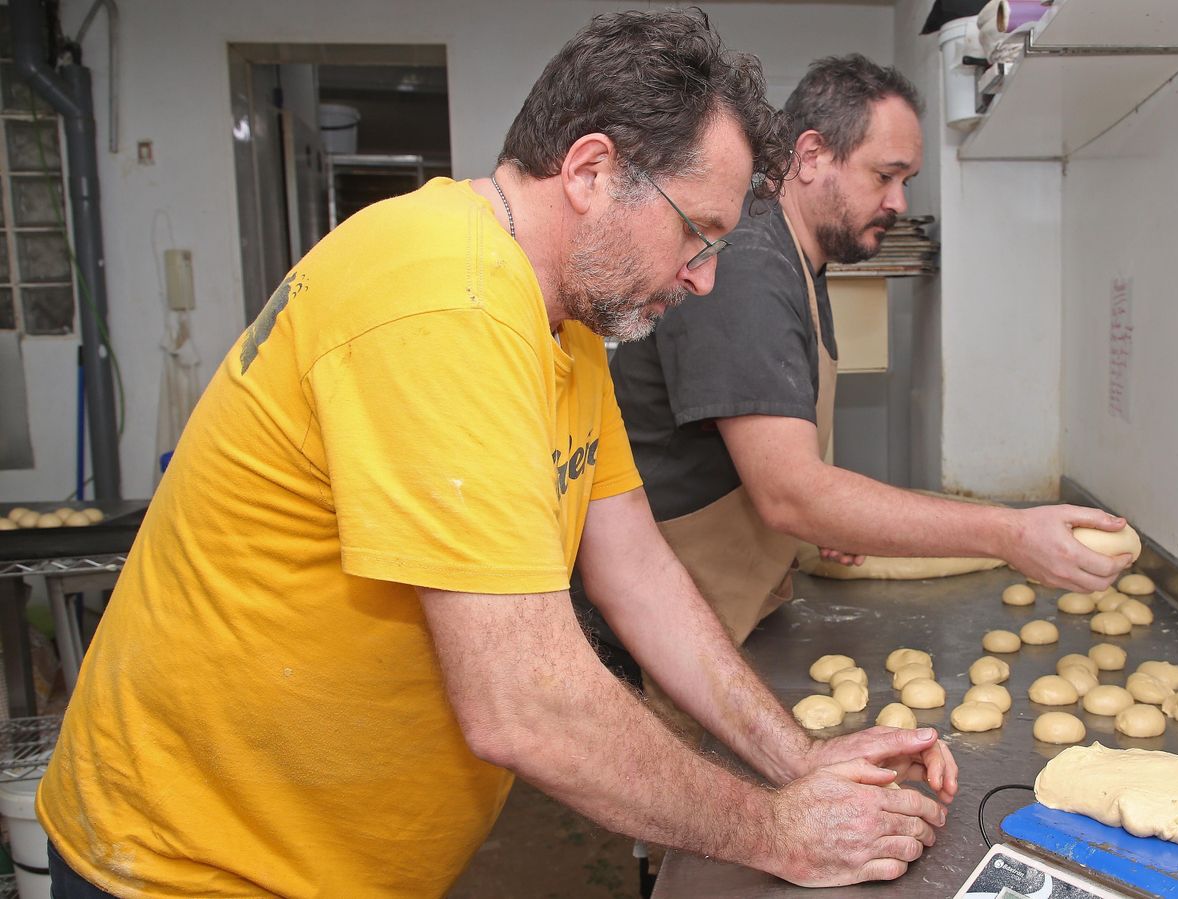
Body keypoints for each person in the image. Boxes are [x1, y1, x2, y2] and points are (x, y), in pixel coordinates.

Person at [36, 13, 954, 897]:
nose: (707, 275)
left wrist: (800, 758)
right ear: (593, 171)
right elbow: (527, 702)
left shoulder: (564, 322)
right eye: (697, 234)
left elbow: (635, 569)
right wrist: (776, 829)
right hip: (194, 868)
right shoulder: (446, 303)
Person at [604, 55, 1134, 671]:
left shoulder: (799, 259)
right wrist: (1009, 535)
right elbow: (789, 494)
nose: (900, 201)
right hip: (648, 637)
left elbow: (771, 462)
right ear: (809, 157)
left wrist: (834, 515)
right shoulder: (748, 267)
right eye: (885, 175)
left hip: (708, 613)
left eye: (907, 180)